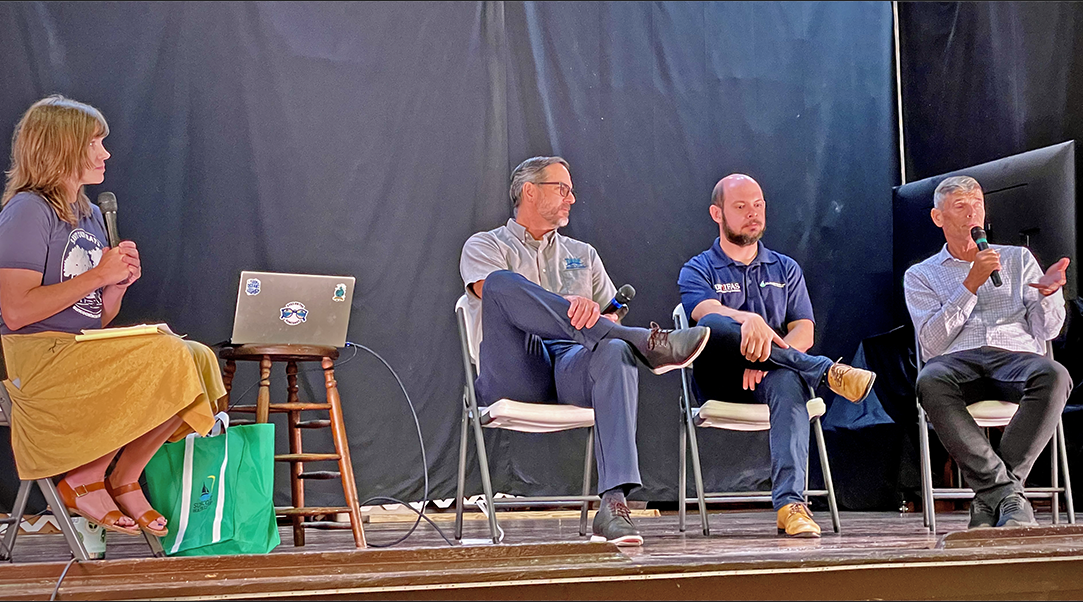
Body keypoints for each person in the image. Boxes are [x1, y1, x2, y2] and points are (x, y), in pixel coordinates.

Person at [0, 95, 226, 537]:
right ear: (62, 147)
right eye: (95, 143)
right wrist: (96, 275)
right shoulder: (27, 210)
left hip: (78, 350)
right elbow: (16, 309)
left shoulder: (87, 214)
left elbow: (94, 319)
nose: (106, 154)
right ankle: (84, 479)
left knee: (196, 356)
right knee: (168, 353)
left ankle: (122, 477)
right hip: (34, 358)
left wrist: (114, 287)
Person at [460, 156, 711, 546]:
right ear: (529, 191)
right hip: (515, 368)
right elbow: (485, 291)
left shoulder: (584, 254)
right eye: (562, 188)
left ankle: (613, 506)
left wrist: (597, 313)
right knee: (500, 284)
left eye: (571, 190)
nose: (571, 198)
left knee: (614, 351)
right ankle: (643, 342)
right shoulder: (485, 245)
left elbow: (607, 317)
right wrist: (571, 305)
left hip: (571, 364)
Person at [677, 174, 876, 538]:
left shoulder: (785, 268)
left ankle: (790, 506)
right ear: (716, 213)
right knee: (717, 324)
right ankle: (826, 371)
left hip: (770, 376)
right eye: (740, 206)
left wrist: (761, 358)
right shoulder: (698, 268)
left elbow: (804, 330)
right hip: (719, 378)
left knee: (787, 381)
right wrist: (748, 320)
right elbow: (704, 314)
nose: (752, 213)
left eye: (758, 205)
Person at [905, 175, 1071, 529]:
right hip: (957, 362)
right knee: (929, 381)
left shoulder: (1017, 258)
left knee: (1056, 375)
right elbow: (931, 343)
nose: (971, 214)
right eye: (960, 206)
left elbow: (1048, 331)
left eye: (977, 204)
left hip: (1015, 356)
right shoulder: (921, 275)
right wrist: (970, 284)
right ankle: (1009, 496)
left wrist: (1048, 295)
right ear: (939, 218)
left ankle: (993, 497)